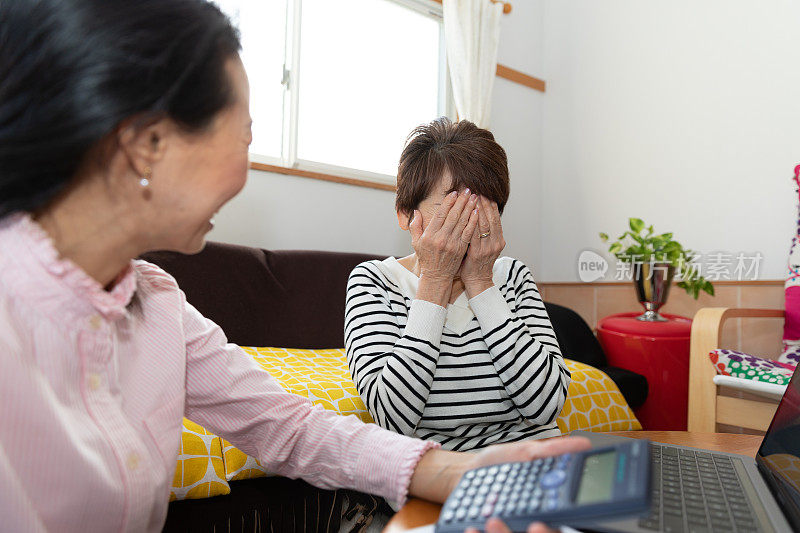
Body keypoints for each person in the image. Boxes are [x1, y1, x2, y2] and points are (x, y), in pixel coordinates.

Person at [0, 1, 588, 531]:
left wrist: (465, 472)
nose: (246, 167)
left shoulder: (158, 303)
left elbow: (291, 426)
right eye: (246, 134)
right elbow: (390, 409)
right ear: (147, 145)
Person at [345, 119, 570, 451]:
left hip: (537, 463)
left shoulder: (514, 277)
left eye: (479, 211)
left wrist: (480, 282)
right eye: (452, 210)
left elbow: (546, 405)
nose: (467, 226)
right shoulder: (375, 281)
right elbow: (392, 417)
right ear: (406, 215)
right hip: (440, 477)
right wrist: (435, 281)